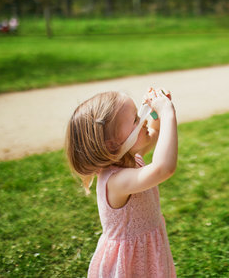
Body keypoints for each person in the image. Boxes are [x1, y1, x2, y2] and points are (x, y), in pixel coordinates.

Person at [65, 88, 178, 278]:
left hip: (147, 250)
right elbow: (164, 168)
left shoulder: (131, 158)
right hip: (129, 264)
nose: (142, 119)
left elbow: (155, 131)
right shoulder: (116, 181)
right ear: (112, 144)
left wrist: (154, 111)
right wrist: (167, 113)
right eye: (135, 119)